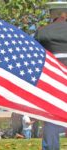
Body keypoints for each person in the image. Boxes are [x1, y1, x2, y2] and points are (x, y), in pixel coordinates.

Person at [34, 1, 67, 149]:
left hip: (53, 81)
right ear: (64, 14)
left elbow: (35, 56)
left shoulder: (42, 32)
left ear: (52, 14)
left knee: (51, 118)